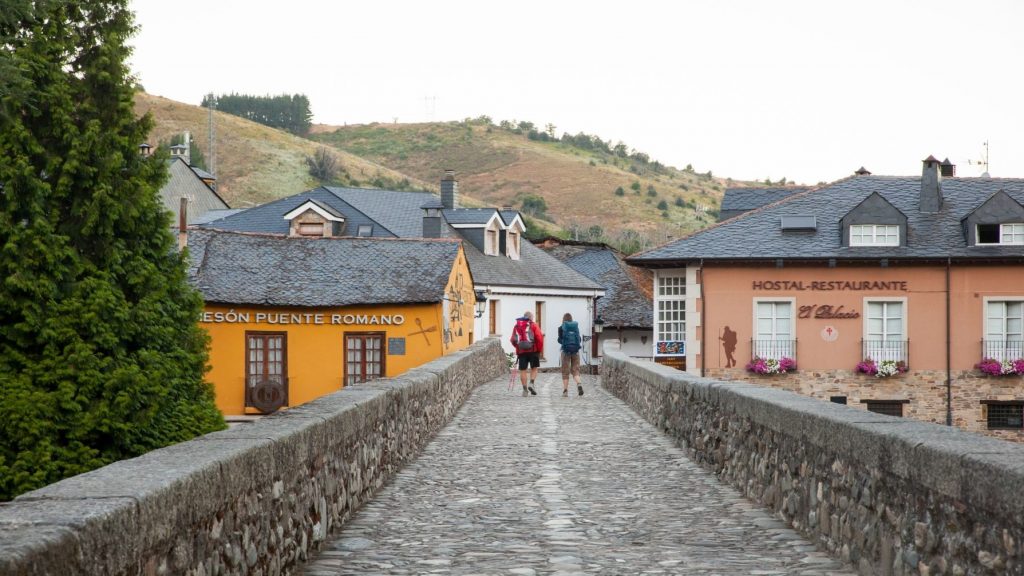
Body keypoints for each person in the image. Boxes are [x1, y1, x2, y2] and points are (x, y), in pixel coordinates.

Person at [510, 311, 543, 396]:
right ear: (531, 318)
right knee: (534, 368)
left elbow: (513, 340)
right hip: (533, 351)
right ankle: (531, 383)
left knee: (523, 370)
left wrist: (518, 347)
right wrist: (539, 349)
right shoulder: (534, 325)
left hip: (522, 352)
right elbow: (539, 338)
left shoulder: (517, 326)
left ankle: (525, 390)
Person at [557, 313, 584, 397]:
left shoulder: (561, 328)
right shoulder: (576, 327)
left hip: (565, 352)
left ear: (563, 319)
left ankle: (565, 391)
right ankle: (579, 383)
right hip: (575, 351)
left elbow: (560, 340)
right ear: (571, 319)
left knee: (565, 371)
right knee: (575, 370)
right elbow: (579, 339)